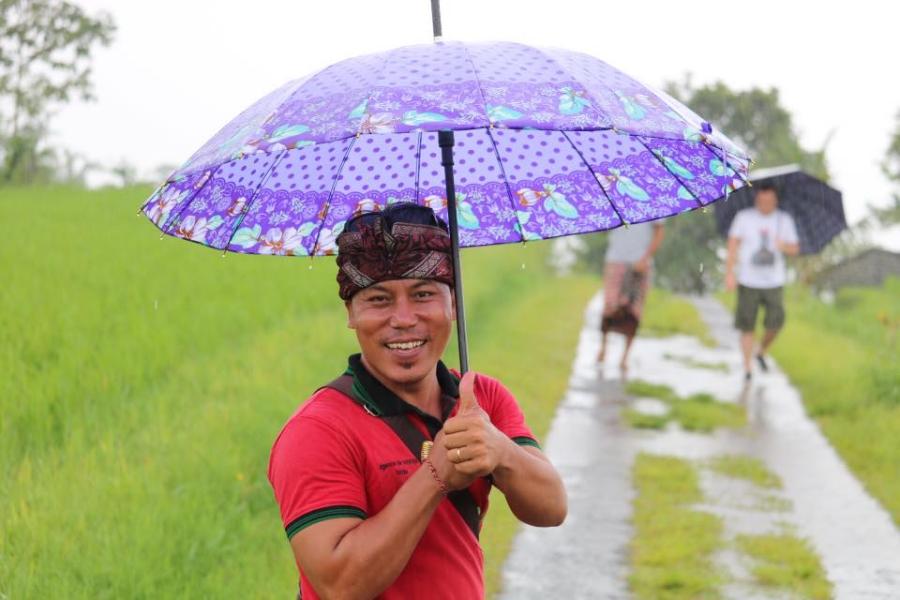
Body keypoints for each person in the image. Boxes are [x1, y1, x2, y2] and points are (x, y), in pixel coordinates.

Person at [267, 202, 567, 599]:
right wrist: (436, 473)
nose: (404, 318)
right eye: (379, 299)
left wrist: (501, 451)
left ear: (453, 304)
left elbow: (552, 507)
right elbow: (340, 585)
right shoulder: (317, 430)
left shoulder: (482, 398)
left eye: (423, 294)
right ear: (351, 312)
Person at [725, 183, 800, 381]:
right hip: (748, 279)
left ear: (776, 201)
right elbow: (732, 244)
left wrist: (783, 246)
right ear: (756, 199)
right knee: (747, 325)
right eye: (761, 200)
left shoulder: (784, 220)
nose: (765, 204)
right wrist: (730, 273)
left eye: (769, 201)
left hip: (774, 281)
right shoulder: (744, 217)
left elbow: (795, 248)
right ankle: (747, 367)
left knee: (776, 322)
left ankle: (761, 351)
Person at [597, 221, 665, 371]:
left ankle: (625, 357)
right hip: (615, 259)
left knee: (633, 312)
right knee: (610, 306)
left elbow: (659, 232)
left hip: (640, 262)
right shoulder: (613, 205)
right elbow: (602, 230)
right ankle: (603, 348)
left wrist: (645, 258)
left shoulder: (653, 207)